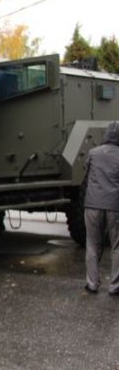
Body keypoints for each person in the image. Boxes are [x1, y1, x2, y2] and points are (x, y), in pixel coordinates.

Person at [83, 121, 119, 296]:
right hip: (115, 206)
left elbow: (86, 172)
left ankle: (92, 283)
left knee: (92, 243)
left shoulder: (93, 153)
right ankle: (115, 285)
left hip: (93, 204)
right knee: (117, 245)